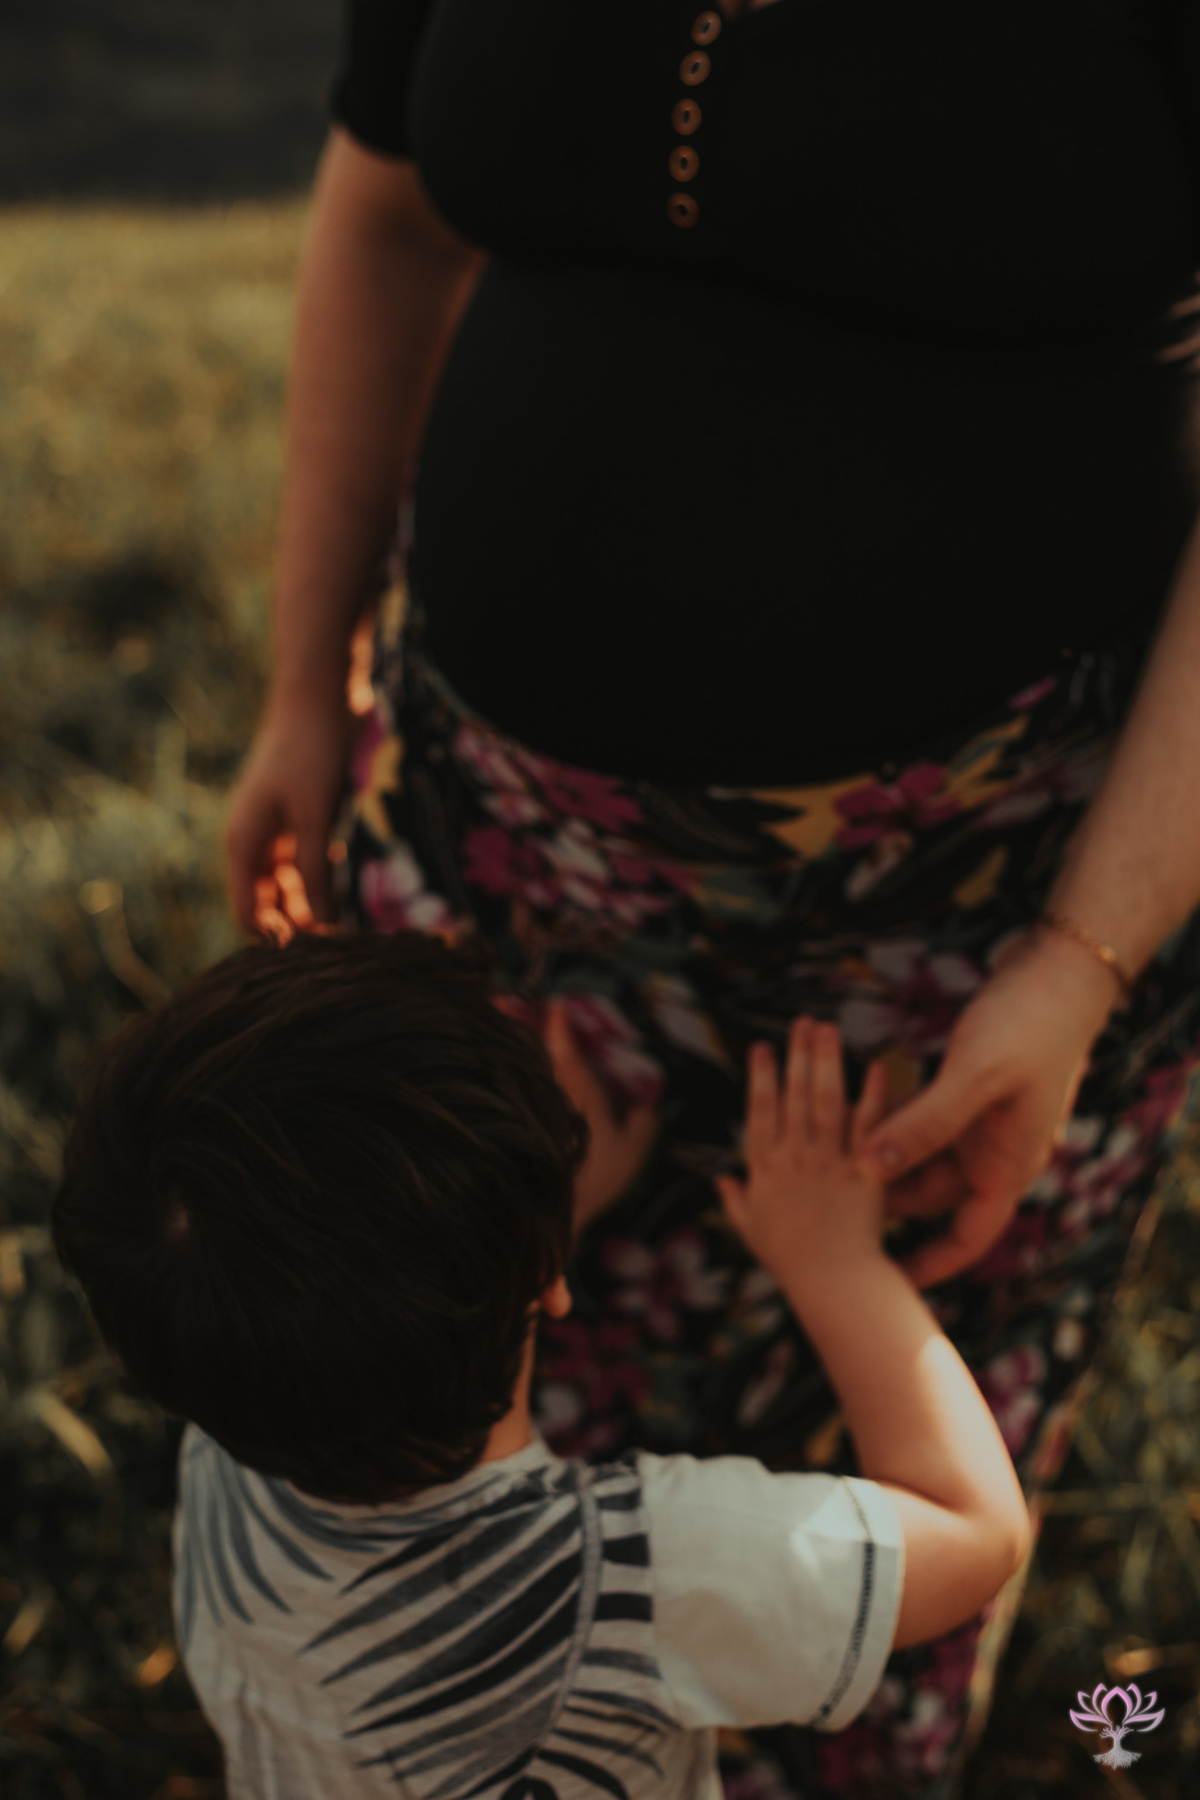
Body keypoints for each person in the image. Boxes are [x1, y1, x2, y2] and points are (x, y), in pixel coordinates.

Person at [224, 2, 1200, 1789]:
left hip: (956, 930)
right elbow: (388, 207)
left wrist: (1076, 962)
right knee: (703, 1490)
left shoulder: (255, 1535)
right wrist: (309, 680)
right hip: (501, 861)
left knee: (769, 1466)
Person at [52, 932, 1029, 1800]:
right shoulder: (629, 1585)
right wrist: (836, 1262)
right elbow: (974, 1532)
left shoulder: (226, 1409)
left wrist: (520, 1230)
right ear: (546, 1283)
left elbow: (331, 1292)